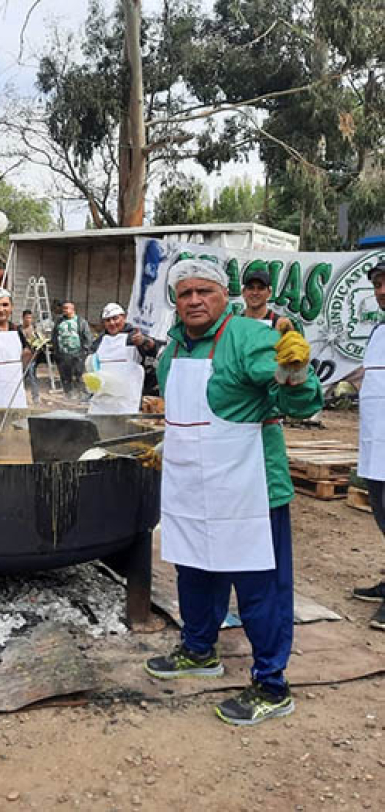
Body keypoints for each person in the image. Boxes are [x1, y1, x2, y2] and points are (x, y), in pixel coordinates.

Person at [143, 259, 323, 726]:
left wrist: (294, 371)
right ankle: (200, 649)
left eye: (205, 291)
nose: (195, 300)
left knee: (260, 587)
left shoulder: (247, 337)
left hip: (250, 490)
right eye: (185, 294)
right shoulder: (171, 351)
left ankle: (271, 683)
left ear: (226, 296)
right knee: (195, 571)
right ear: (175, 302)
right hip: (192, 488)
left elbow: (300, 398)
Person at [352, 258, 385, 631]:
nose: (381, 291)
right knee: (381, 512)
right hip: (376, 440)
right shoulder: (378, 332)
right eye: (377, 284)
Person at [86, 302, 162, 414]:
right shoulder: (99, 341)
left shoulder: (133, 337)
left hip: (126, 403)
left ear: (124, 317)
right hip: (101, 402)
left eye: (115, 318)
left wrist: (144, 341)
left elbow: (153, 348)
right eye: (107, 320)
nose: (112, 323)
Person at [52, 300, 92, 397]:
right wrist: (56, 350)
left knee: (79, 376)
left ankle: (83, 395)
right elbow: (54, 335)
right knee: (65, 377)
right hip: (63, 354)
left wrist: (85, 352)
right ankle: (69, 395)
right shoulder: (59, 321)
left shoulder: (81, 322)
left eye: (66, 308)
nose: (64, 310)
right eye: (63, 308)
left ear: (72, 309)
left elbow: (87, 337)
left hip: (77, 354)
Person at [20, 309, 43, 405]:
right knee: (19, 378)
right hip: (20, 358)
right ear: (23, 318)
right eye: (27, 318)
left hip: (31, 358)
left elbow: (41, 341)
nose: (29, 320)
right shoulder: (19, 330)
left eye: (30, 318)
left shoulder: (34, 329)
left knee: (32, 377)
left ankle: (36, 397)